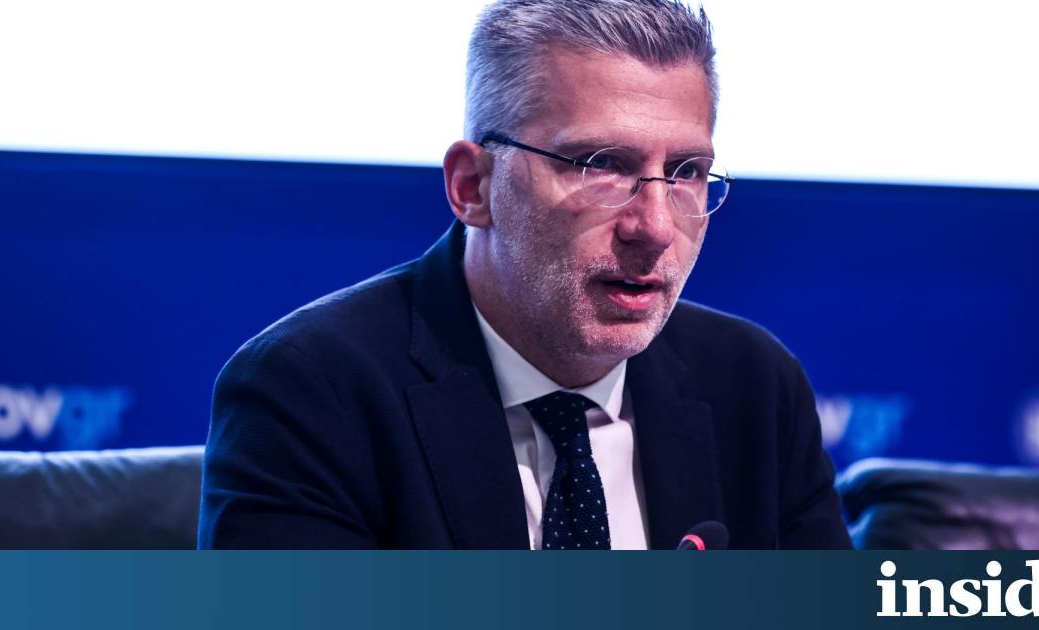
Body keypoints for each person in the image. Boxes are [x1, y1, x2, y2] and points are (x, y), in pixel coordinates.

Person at [198, 0, 852, 550]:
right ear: (473, 186)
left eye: (686, 173)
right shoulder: (312, 390)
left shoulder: (754, 385)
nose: (654, 226)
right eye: (600, 165)